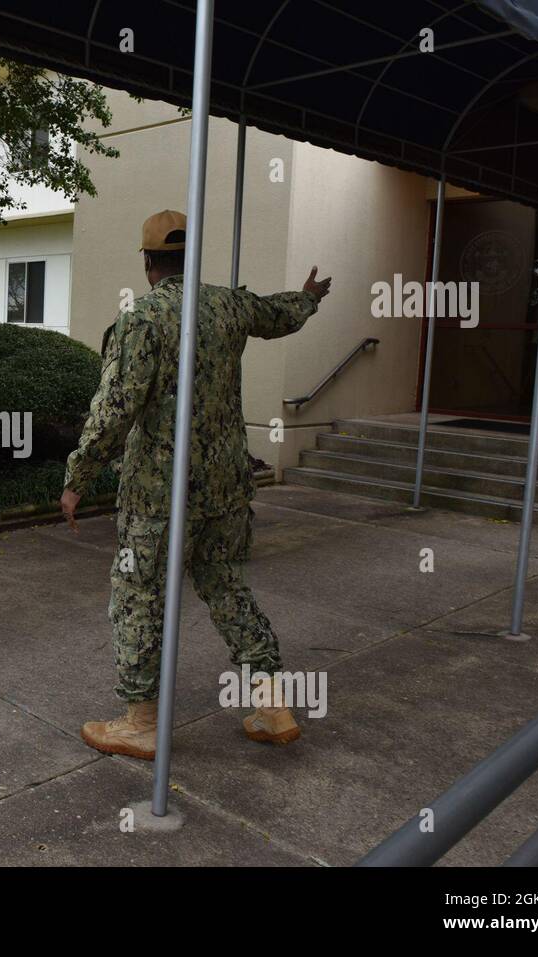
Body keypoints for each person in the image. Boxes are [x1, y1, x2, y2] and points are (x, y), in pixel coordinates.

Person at [61, 210, 331, 760]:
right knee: (225, 583)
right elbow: (279, 314)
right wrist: (308, 295)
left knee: (139, 596)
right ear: (191, 258)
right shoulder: (227, 304)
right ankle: (272, 702)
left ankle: (140, 722)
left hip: (160, 493)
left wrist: (78, 475)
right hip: (226, 485)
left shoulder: (142, 319)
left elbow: (116, 407)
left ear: (147, 261)